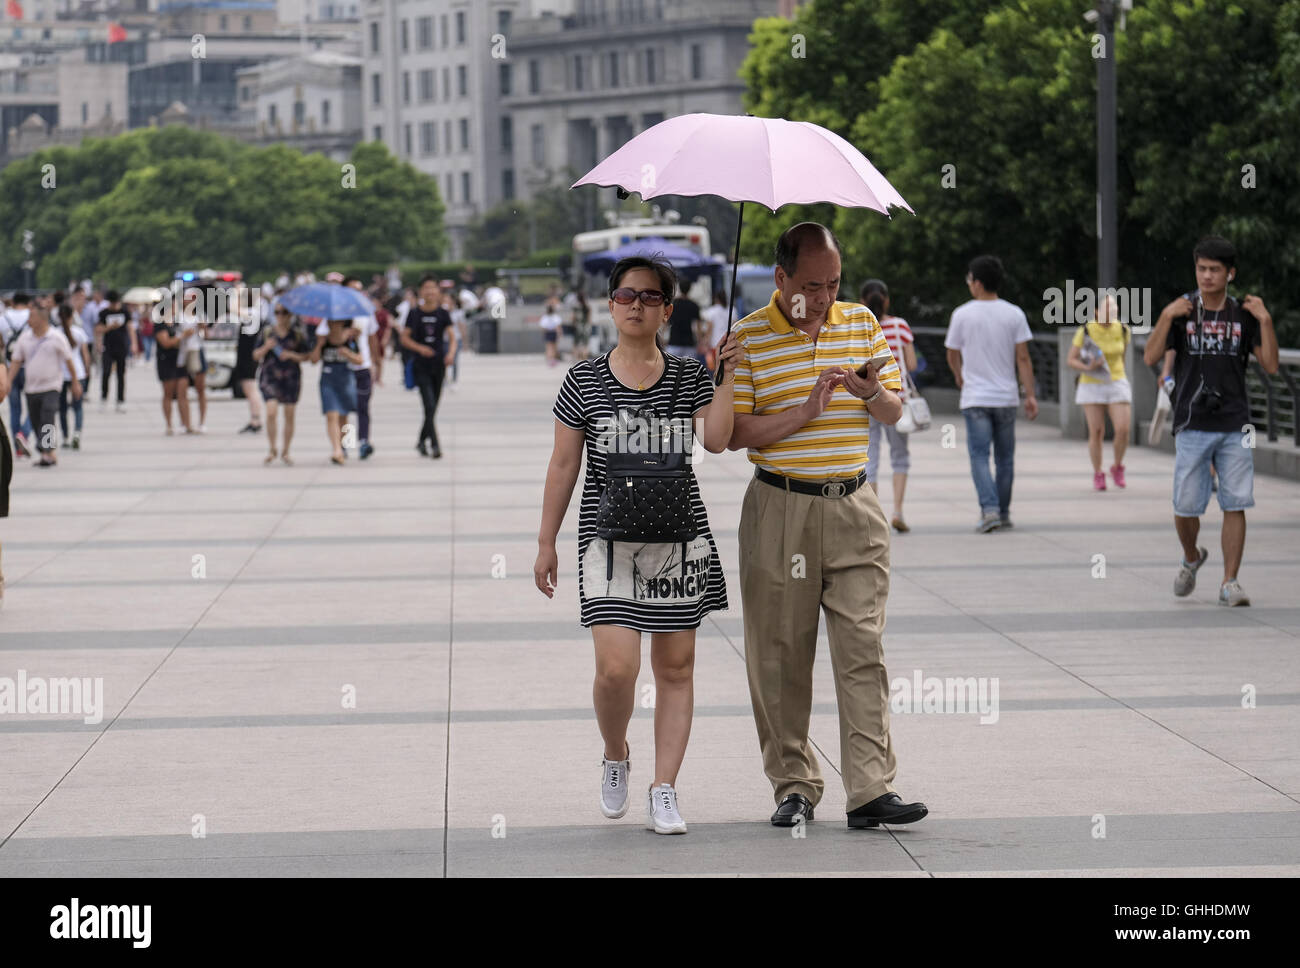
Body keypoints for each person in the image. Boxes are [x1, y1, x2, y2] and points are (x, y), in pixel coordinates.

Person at [727, 222, 926, 830]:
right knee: (780, 656)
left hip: (854, 506)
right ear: (781, 277)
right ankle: (794, 784)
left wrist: (871, 394)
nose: (824, 298)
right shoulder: (747, 338)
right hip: (780, 508)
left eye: (833, 283)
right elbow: (733, 435)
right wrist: (804, 412)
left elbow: (897, 412)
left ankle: (870, 788)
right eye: (812, 286)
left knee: (863, 648)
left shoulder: (862, 323)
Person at [535, 255, 741, 835]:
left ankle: (665, 788)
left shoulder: (689, 377)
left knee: (676, 668)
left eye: (650, 297)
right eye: (626, 296)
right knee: (616, 671)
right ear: (610, 303)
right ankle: (616, 752)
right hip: (608, 544)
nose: (635, 305)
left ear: (667, 310)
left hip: (678, 538)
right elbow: (562, 464)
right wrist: (546, 541)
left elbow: (719, 441)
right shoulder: (583, 379)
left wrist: (725, 376)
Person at [1141, 236, 1278, 606]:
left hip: (1235, 424)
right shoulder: (1182, 311)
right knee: (1186, 508)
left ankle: (1230, 581)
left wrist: (1265, 320)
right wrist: (1166, 315)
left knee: (1236, 502)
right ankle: (1191, 556)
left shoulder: (1244, 314)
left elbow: (1271, 364)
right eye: (1201, 268)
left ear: (1230, 273)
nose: (1206, 276)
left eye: (1215, 270)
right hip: (1192, 422)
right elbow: (1150, 356)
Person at [944, 255, 1039, 532]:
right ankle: (1004, 511)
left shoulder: (962, 314)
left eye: (969, 279)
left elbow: (952, 354)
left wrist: (960, 376)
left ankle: (989, 511)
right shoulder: (1014, 314)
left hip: (975, 398)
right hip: (1006, 398)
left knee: (979, 456)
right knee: (1005, 458)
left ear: (977, 283)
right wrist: (1030, 395)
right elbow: (1023, 359)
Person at [860, 279, 917, 532]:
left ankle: (873, 518)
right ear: (887, 300)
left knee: (870, 459)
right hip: (896, 400)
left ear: (863, 302)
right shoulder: (899, 326)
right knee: (900, 458)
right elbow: (912, 364)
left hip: (869, 400)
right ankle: (898, 511)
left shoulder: (861, 328)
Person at [1067, 293, 1132, 490]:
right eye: (1107, 307)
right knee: (1096, 431)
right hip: (1092, 381)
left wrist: (1117, 374)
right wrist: (1089, 367)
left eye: (1114, 307)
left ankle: (1117, 466)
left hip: (1116, 380)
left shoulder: (1122, 329)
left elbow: (1123, 356)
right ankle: (1098, 472)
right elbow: (1071, 359)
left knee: (1122, 429)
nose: (1112, 310)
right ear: (1096, 310)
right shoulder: (1086, 330)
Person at [7, 306, 82, 466]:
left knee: (48, 417)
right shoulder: (25, 338)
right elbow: (16, 361)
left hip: (52, 386)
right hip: (31, 388)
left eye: (32, 316)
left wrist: (75, 382)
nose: (29, 320)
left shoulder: (56, 337)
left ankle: (48, 452)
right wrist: (7, 381)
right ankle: (48, 453)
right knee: (36, 421)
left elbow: (69, 361)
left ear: (42, 319)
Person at [313, 278, 379, 459]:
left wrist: (377, 363)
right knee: (345, 411)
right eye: (351, 290)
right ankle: (346, 444)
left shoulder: (366, 312)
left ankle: (364, 441)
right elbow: (321, 336)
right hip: (341, 370)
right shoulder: (334, 316)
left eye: (358, 290)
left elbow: (373, 338)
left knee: (362, 407)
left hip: (362, 366)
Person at [399, 276, 456, 457]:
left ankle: (421, 440)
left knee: (433, 407)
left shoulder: (443, 313)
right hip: (421, 366)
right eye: (426, 288)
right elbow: (404, 338)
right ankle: (435, 445)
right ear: (421, 291)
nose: (430, 291)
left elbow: (452, 337)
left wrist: (451, 354)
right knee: (429, 405)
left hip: (439, 366)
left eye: (433, 288)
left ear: (438, 292)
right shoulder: (414, 313)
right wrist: (420, 348)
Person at [255, 305, 313, 465]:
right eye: (277, 312)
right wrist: (266, 347)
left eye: (284, 313)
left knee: (289, 413)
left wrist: (292, 355)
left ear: (290, 315)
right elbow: (255, 355)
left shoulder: (297, 334)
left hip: (291, 377)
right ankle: (272, 448)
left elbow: (308, 356)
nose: (280, 316)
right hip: (270, 376)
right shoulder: (267, 332)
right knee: (271, 412)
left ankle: (286, 450)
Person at [1, 293, 33, 457]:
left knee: (15, 409)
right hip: (30, 367)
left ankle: (17, 448)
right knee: (36, 408)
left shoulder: (3, 318)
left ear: (13, 302)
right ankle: (26, 435)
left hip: (9, 367)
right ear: (29, 302)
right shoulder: (32, 316)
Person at [154, 300, 193, 435]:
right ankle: (169, 424)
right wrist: (183, 336)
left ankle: (187, 424)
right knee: (168, 394)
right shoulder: (160, 325)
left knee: (183, 393)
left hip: (180, 359)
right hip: (166, 361)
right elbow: (166, 343)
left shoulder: (178, 322)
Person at [56, 304, 91, 450]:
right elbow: (85, 354)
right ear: (72, 316)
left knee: (62, 408)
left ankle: (64, 436)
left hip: (60, 374)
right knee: (78, 407)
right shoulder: (79, 332)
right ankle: (77, 433)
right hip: (78, 372)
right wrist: (87, 369)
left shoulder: (55, 333)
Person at [95, 290, 135, 412]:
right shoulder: (104, 313)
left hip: (122, 346)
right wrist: (109, 328)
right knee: (106, 373)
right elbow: (98, 329)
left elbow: (130, 328)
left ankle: (120, 400)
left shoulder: (124, 312)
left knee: (121, 374)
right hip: (108, 347)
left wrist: (134, 344)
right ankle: (104, 397)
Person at [177, 289, 209, 433]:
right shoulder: (178, 316)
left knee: (200, 388)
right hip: (183, 352)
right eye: (187, 298)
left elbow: (206, 336)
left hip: (197, 350)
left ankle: (201, 423)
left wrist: (203, 327)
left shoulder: (200, 315)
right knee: (182, 389)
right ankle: (185, 423)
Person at [234, 288, 264, 435]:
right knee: (248, 388)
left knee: (251, 388)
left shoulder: (252, 312)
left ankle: (256, 419)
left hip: (248, 356)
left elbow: (234, 310)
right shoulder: (253, 312)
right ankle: (254, 418)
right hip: (246, 355)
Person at [665, 291, 703, 362]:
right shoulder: (693, 305)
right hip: (689, 342)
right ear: (689, 289)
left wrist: (663, 337)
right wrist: (700, 341)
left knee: (672, 369)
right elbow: (698, 326)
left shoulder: (673, 304)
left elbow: (666, 322)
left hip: (674, 341)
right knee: (689, 370)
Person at [539, 297, 563, 366]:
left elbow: (543, 327)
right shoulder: (556, 317)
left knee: (548, 347)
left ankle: (549, 360)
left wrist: (543, 333)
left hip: (548, 332)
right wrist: (560, 334)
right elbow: (558, 327)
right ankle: (553, 360)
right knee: (554, 347)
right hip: (554, 332)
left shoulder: (544, 317)